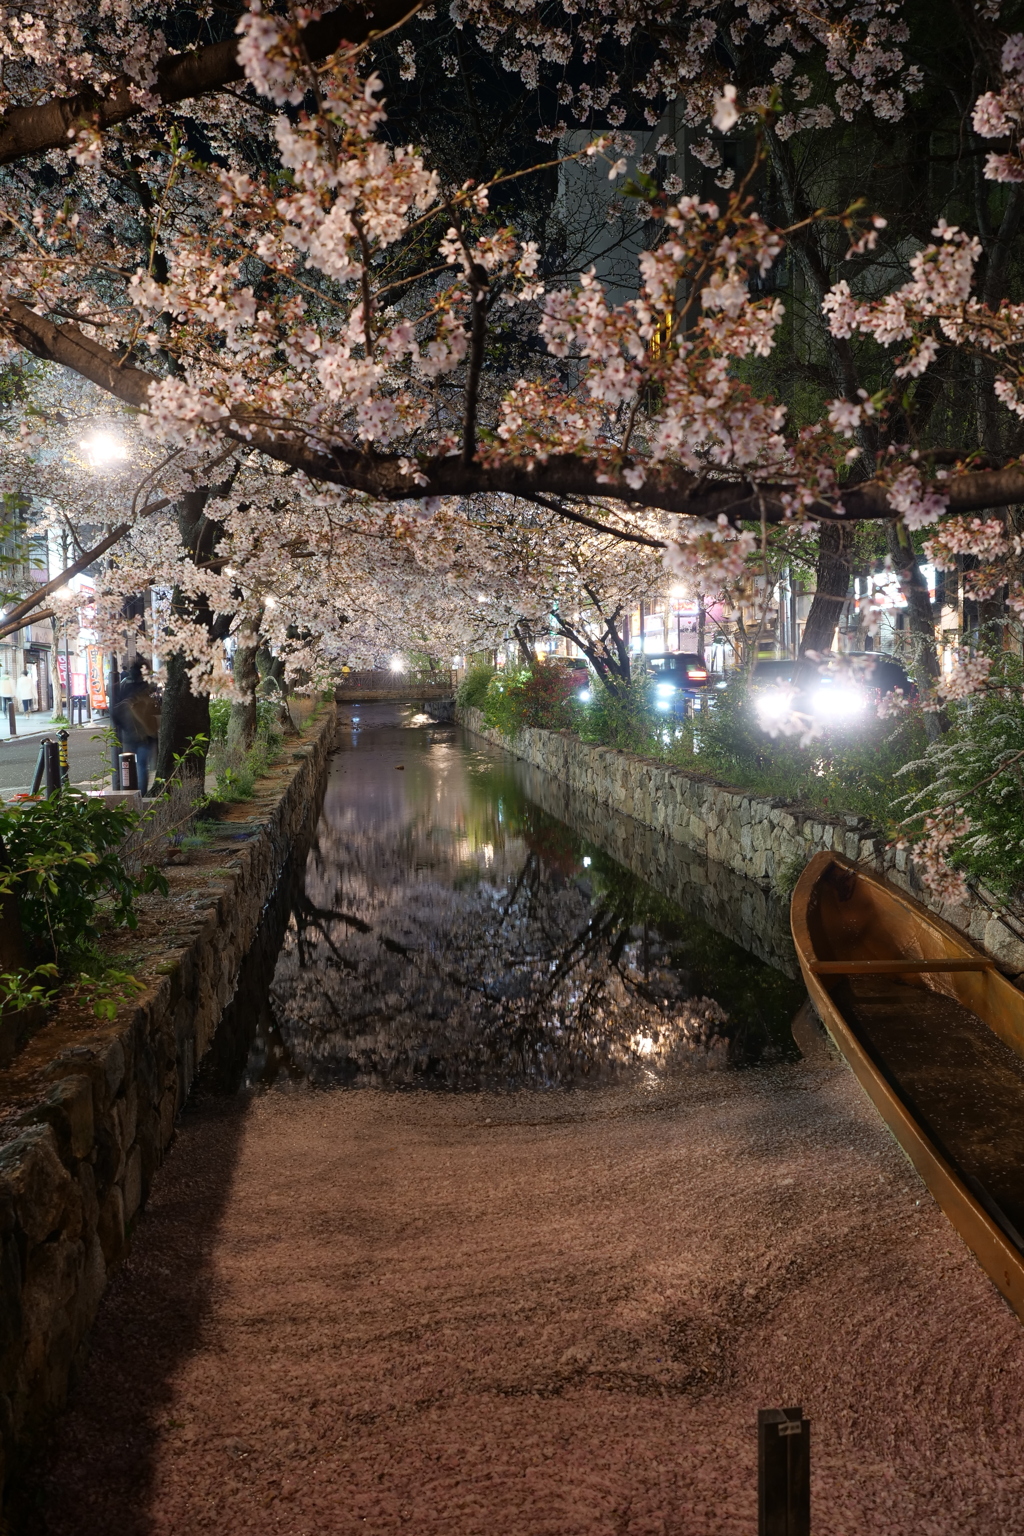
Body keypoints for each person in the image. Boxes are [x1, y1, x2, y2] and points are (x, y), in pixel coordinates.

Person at [112, 661, 160, 794]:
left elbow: (116, 712)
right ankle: (142, 796)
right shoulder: (148, 687)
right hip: (147, 734)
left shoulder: (123, 687)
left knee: (128, 766)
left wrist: (121, 729)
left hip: (129, 733)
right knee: (142, 767)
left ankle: (130, 794)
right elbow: (156, 709)